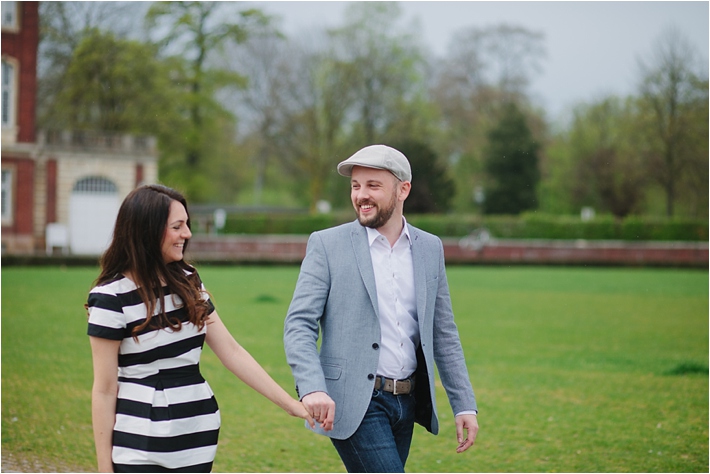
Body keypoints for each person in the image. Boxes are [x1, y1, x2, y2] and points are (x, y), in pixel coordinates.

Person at [87, 184, 314, 473]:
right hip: (138, 443)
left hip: (197, 434)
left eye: (187, 225)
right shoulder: (111, 298)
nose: (188, 234)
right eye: (177, 226)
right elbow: (105, 390)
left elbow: (231, 351)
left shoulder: (188, 280)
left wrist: (290, 405)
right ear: (147, 231)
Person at [284, 144, 479, 472]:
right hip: (353, 402)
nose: (361, 195)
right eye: (355, 186)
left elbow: (442, 331)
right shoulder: (327, 245)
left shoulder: (430, 249)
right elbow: (299, 324)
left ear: (403, 189)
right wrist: (312, 386)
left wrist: (464, 404)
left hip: (408, 402)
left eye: (373, 186)